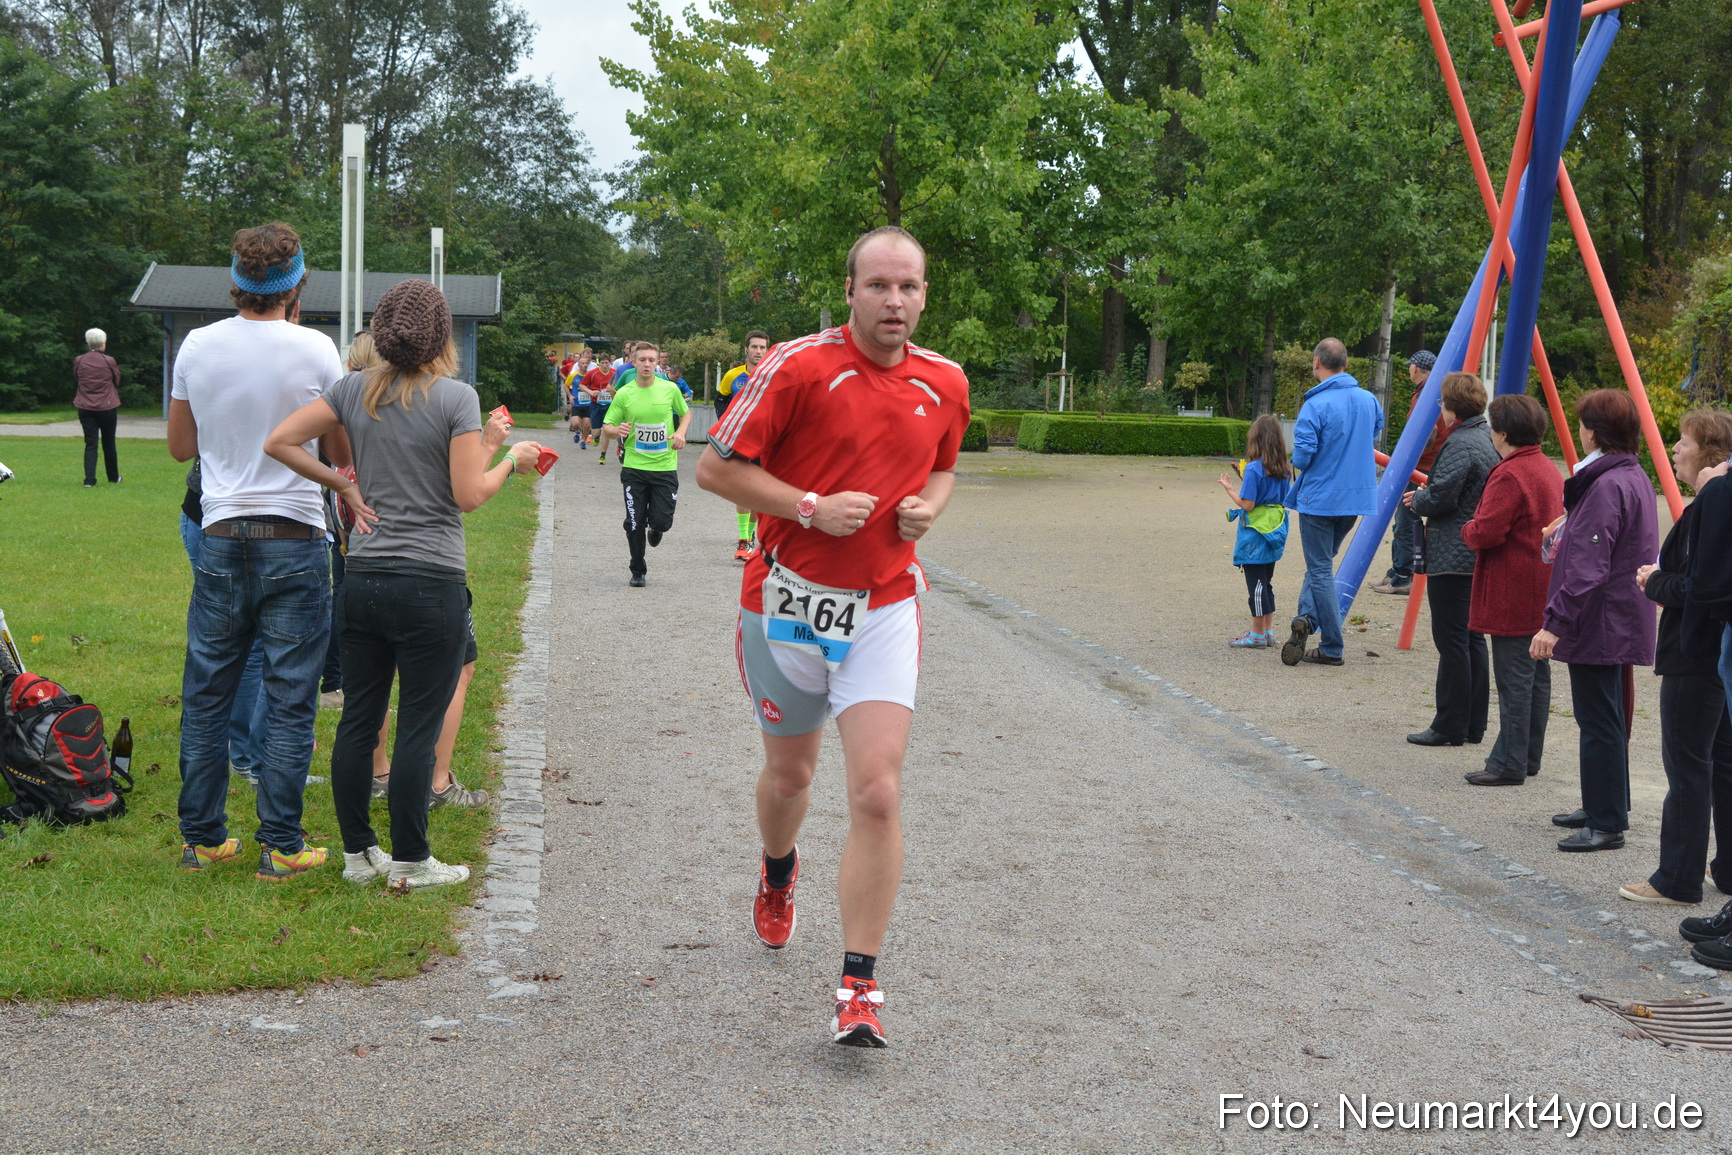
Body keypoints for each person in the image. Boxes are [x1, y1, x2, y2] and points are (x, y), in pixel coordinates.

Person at [695, 225, 970, 1048]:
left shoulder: (946, 382)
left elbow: (946, 464)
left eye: (910, 287)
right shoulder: (795, 366)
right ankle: (779, 871)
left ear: (925, 294)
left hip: (885, 603)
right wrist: (809, 506)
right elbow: (714, 469)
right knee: (791, 776)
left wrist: (932, 506)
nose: (895, 301)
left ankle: (859, 984)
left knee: (877, 789)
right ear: (848, 290)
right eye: (879, 285)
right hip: (787, 599)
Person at [264, 279, 543, 888]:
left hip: (363, 579)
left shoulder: (351, 388)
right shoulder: (455, 398)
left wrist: (341, 483)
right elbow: (468, 495)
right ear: (442, 336)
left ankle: (359, 855)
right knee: (419, 721)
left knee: (359, 719)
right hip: (430, 581)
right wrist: (509, 463)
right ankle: (413, 859)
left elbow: (279, 441)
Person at [168, 221, 346, 880]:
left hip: (219, 534)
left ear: (236, 282)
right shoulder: (318, 350)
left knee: (208, 691)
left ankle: (202, 837)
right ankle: (281, 842)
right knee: (291, 695)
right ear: (296, 283)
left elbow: (181, 447)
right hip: (295, 536)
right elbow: (338, 452)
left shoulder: (197, 344)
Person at [1531, 389, 1659, 852]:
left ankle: (1606, 821)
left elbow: (1589, 565)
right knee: (1602, 716)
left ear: (1594, 431)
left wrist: (1554, 622)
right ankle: (1605, 803)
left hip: (1603, 618)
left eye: (1584, 423)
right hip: (1614, 614)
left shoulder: (1607, 483)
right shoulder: (1628, 473)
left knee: (1600, 718)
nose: (1580, 430)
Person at [1618, 411, 1732, 903]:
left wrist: (1653, 581)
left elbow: (1703, 586)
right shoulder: (1715, 498)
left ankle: (1677, 877)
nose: (1675, 448)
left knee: (1688, 767)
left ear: (1708, 451)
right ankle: (1724, 869)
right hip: (1717, 651)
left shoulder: (1715, 499)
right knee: (1721, 763)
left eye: (1683, 441)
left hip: (1697, 649)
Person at [1459, 394, 1565, 785]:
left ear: (1502, 433)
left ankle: (1509, 762)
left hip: (1511, 587)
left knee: (1514, 679)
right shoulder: (1547, 469)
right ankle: (1526, 754)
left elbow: (1487, 530)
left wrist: (1467, 528)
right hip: (1542, 584)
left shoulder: (1510, 473)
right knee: (1536, 677)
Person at [1404, 372, 1498, 747]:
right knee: (1472, 639)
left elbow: (1443, 494)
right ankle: (1473, 723)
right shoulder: (1485, 437)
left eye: (1442, 402)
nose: (1439, 409)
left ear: (1452, 405)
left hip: (1453, 554)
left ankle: (1450, 724)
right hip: (1471, 553)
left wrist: (1419, 500)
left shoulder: (1461, 442)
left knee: (1452, 641)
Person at [1281, 338, 1384, 668]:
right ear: (1346, 364)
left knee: (1320, 569)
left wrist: (1298, 459)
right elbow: (1375, 432)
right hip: (1355, 499)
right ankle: (1307, 621)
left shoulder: (1316, 404)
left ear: (1315, 362)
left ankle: (1332, 646)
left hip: (1320, 498)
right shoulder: (1369, 400)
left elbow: (1304, 456)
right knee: (1321, 564)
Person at [602, 341, 690, 586]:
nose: (647, 364)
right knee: (633, 522)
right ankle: (637, 570)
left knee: (661, 520)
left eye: (652, 360)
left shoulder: (669, 389)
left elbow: (685, 413)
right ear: (634, 362)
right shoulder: (625, 393)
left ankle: (657, 527)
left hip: (664, 467)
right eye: (642, 360)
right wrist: (614, 430)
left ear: (657, 363)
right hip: (634, 468)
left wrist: (681, 432)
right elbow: (608, 427)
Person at [1370, 351, 1449, 595]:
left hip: (1419, 467)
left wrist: (1408, 459)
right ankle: (1398, 570)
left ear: (1416, 368)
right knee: (1404, 519)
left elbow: (1429, 433)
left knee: (1406, 520)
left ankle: (1403, 576)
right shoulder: (1435, 390)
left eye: (1410, 366)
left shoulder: (1426, 394)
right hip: (1428, 464)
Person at [1217, 414, 1292, 647]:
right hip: (1275, 528)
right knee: (1266, 582)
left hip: (1255, 533)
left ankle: (1257, 635)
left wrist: (1229, 489)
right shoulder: (1285, 469)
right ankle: (1268, 632)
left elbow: (1248, 504)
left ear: (1255, 439)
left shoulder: (1253, 468)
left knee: (1256, 585)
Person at [718, 331, 771, 559]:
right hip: (739, 441)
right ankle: (742, 541)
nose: (758, 351)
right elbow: (720, 399)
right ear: (746, 350)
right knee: (742, 492)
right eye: (755, 347)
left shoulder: (773, 375)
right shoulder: (732, 375)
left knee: (757, 495)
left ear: (767, 351)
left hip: (764, 443)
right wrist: (724, 426)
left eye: (762, 347)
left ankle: (750, 537)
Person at [73, 327, 122, 487]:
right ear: (103, 343)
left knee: (90, 443)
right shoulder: (109, 361)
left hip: (85, 407)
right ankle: (113, 477)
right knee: (109, 442)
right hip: (107, 407)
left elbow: (77, 378)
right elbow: (116, 380)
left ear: (88, 343)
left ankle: (89, 480)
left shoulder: (79, 360)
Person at [565, 347, 597, 447]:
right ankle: (577, 431)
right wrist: (570, 396)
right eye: (582, 364)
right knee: (575, 424)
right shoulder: (574, 375)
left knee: (587, 424)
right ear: (578, 365)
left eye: (586, 364)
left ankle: (583, 441)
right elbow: (565, 385)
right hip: (577, 403)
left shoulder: (590, 375)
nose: (585, 365)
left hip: (588, 403)